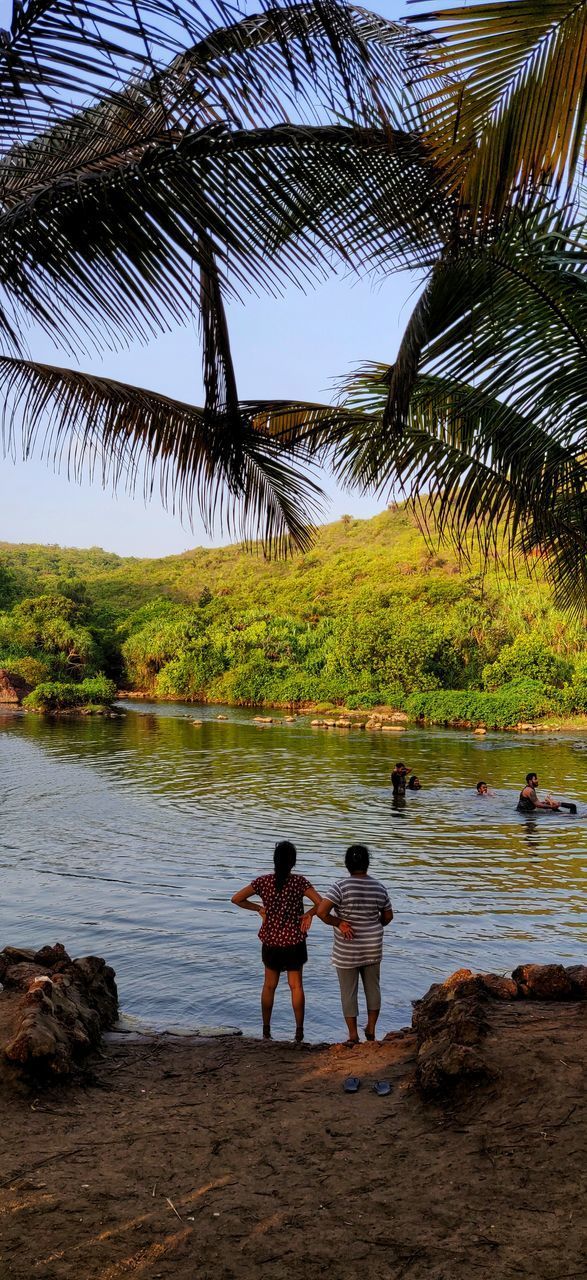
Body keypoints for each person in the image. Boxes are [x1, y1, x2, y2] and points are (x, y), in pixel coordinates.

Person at [231, 841, 322, 1042]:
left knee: (269, 986)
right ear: (293, 862)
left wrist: (258, 909)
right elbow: (321, 903)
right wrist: (309, 914)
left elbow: (236, 899)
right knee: (296, 986)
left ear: (275, 860)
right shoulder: (300, 882)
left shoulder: (263, 882)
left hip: (271, 941)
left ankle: (266, 1030)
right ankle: (299, 1032)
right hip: (294, 941)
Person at [317, 845, 393, 1045]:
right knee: (373, 988)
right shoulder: (379, 887)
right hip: (372, 945)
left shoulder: (339, 887)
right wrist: (375, 925)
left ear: (347, 864)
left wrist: (339, 923)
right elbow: (388, 916)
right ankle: (371, 1029)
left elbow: (321, 912)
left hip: (347, 947)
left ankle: (352, 1035)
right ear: (367, 864)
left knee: (348, 991)